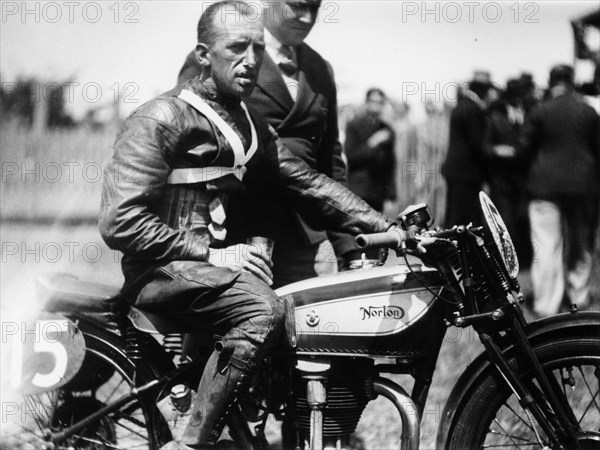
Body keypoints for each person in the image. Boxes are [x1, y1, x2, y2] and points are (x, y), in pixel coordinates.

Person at [99, 2, 399, 448]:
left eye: (257, 47)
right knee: (262, 309)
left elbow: (308, 182)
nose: (251, 59)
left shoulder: (246, 123)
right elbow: (120, 222)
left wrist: (387, 226)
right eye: (236, 47)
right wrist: (214, 253)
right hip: (159, 271)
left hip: (208, 269)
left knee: (307, 312)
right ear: (203, 54)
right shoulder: (160, 117)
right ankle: (192, 442)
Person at [178, 0, 359, 284]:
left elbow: (330, 161)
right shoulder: (221, 54)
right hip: (237, 232)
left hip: (306, 236)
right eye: (297, 6)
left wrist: (347, 243)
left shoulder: (320, 69)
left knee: (315, 322)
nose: (307, 17)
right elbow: (188, 144)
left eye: (315, 7)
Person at [520, 64, 600, 317]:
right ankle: (580, 298)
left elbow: (524, 151)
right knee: (581, 245)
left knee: (546, 246)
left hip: (544, 188)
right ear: (572, 82)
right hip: (583, 188)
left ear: (550, 82)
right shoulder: (588, 112)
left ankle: (546, 306)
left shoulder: (539, 111)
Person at [441, 71, 496, 228]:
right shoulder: (472, 109)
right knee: (462, 218)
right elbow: (478, 144)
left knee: (455, 215)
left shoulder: (464, 105)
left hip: (458, 171)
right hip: (466, 173)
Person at [344, 88, 396, 215]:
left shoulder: (387, 130)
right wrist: (373, 143)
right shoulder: (354, 125)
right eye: (373, 102)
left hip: (378, 193)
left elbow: (390, 165)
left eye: (380, 102)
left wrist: (391, 196)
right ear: (367, 103)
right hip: (359, 191)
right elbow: (351, 155)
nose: (376, 106)